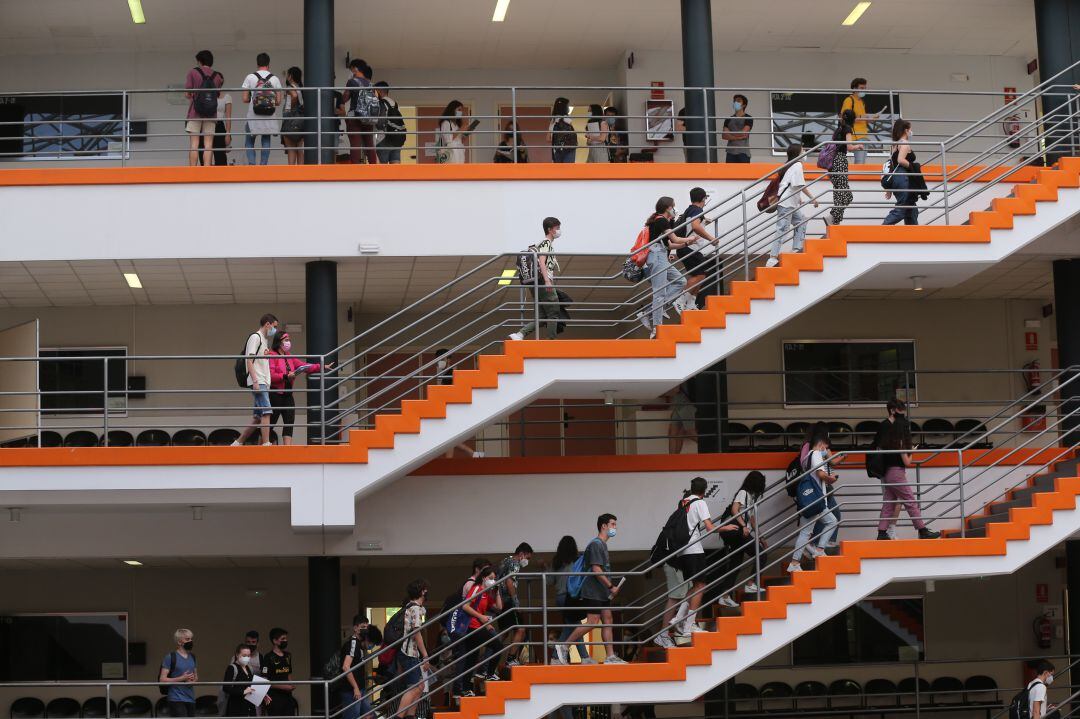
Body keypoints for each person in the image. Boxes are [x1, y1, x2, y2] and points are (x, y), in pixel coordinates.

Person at [555, 513, 626, 665]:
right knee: (592, 621)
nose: (615, 527)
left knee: (608, 619)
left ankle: (610, 656)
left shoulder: (602, 545)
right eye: (613, 524)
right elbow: (596, 569)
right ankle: (564, 645)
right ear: (604, 526)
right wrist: (611, 586)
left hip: (602, 592)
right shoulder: (596, 544)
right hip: (593, 590)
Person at [877, 417, 941, 540]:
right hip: (897, 474)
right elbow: (907, 462)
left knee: (888, 504)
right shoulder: (900, 442)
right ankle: (923, 530)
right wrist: (911, 451)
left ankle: (881, 532)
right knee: (910, 501)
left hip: (887, 474)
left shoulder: (887, 441)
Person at [789, 425, 839, 573]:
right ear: (821, 444)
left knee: (805, 532)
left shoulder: (806, 457)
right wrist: (831, 479)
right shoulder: (816, 454)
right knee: (832, 521)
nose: (826, 451)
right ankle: (819, 549)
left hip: (809, 500)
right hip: (817, 499)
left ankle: (795, 563)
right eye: (826, 447)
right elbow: (821, 475)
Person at [268, 331, 332, 445]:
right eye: (286, 340)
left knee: (289, 420)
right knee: (271, 421)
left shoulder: (289, 356)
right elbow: (270, 375)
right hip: (275, 394)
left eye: (289, 340)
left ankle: (287, 449)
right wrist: (285, 376)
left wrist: (321, 366)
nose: (288, 342)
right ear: (279, 342)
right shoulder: (272, 355)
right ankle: (262, 444)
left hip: (288, 394)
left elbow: (303, 366)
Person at [640, 197, 689, 339]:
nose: (675, 209)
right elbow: (675, 239)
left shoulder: (662, 221)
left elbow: (669, 245)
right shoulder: (661, 220)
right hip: (656, 256)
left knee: (681, 281)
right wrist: (689, 240)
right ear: (668, 207)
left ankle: (648, 312)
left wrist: (686, 243)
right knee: (659, 293)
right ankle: (657, 328)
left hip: (660, 255)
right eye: (674, 206)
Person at [509, 217, 562, 341]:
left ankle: (520, 334)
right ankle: (551, 341)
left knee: (543, 316)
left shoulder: (539, 244)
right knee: (553, 312)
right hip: (543, 281)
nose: (559, 231)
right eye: (557, 228)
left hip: (536, 282)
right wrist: (548, 281)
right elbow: (542, 261)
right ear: (550, 229)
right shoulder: (546, 243)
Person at [767, 143, 819, 268]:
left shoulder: (791, 165)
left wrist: (798, 198)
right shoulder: (797, 165)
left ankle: (796, 248)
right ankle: (772, 258)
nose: (805, 152)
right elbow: (800, 185)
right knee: (782, 229)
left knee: (801, 220)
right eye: (803, 150)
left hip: (789, 203)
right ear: (798, 153)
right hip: (786, 204)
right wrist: (812, 199)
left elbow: (791, 185)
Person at [718, 471, 768, 600]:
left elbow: (751, 519)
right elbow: (734, 510)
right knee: (761, 554)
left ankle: (725, 597)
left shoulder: (750, 497)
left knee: (735, 563)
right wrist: (743, 525)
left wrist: (760, 537)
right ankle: (751, 583)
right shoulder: (743, 493)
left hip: (738, 532)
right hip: (737, 531)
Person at [234, 314, 279, 446]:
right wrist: (255, 381)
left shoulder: (264, 341)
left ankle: (237, 443)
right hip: (258, 380)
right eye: (274, 326)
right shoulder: (255, 337)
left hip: (263, 381)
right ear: (267, 324)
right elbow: (249, 360)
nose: (274, 330)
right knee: (267, 411)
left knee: (257, 417)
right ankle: (266, 443)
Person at [672, 187, 719, 314]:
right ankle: (680, 301)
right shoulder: (697, 210)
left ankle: (691, 303)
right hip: (690, 248)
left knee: (699, 275)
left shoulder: (690, 210)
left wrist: (704, 220)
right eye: (705, 199)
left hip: (687, 248)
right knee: (701, 275)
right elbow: (695, 227)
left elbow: (693, 225)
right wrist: (711, 239)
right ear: (703, 198)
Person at [679, 477, 717, 630]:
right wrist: (725, 528)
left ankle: (678, 617)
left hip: (683, 550)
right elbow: (709, 527)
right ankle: (689, 625)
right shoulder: (700, 503)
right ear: (704, 490)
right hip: (694, 549)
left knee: (695, 585)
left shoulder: (683, 501)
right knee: (701, 586)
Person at [548, 536, 591, 662]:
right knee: (572, 628)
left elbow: (549, 581)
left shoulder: (556, 562)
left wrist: (545, 568)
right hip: (571, 597)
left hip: (560, 598)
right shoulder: (577, 560)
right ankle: (556, 657)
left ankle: (584, 657)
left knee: (574, 627)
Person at [495, 543, 534, 668]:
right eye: (527, 558)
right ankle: (510, 659)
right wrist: (515, 601)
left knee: (504, 632)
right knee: (521, 629)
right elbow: (509, 581)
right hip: (508, 602)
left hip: (500, 600)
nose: (527, 561)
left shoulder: (505, 560)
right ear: (521, 554)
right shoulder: (515, 563)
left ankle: (489, 657)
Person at [397, 580, 431, 719]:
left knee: (420, 686)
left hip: (408, 653)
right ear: (422, 591)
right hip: (410, 653)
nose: (427, 592)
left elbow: (423, 610)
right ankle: (399, 716)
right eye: (425, 590)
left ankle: (411, 716)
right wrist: (425, 655)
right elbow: (417, 633)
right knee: (415, 687)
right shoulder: (415, 609)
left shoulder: (410, 606)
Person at [241, 53, 283, 166]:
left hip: (253, 115)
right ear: (269, 64)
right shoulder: (274, 79)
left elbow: (244, 99)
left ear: (257, 63)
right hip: (269, 115)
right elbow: (278, 101)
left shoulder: (250, 77)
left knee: (249, 142)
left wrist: (254, 99)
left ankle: (252, 164)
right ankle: (263, 165)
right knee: (266, 141)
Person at [184, 50, 224, 167]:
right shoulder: (217, 76)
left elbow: (188, 94)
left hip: (195, 112)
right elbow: (217, 94)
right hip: (211, 113)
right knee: (208, 144)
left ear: (200, 61)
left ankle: (193, 170)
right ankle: (207, 170)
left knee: (194, 144)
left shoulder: (193, 72)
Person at [339, 59, 379, 165]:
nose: (350, 72)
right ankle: (373, 166)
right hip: (368, 118)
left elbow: (345, 98)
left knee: (355, 144)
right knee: (369, 143)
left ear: (355, 69)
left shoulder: (352, 81)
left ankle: (356, 169)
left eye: (351, 69)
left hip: (355, 117)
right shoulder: (371, 84)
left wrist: (339, 100)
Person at [826, 109, 861, 226]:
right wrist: (859, 146)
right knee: (847, 196)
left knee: (838, 194)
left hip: (832, 163)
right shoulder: (847, 129)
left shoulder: (837, 130)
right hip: (840, 161)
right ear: (853, 119)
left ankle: (835, 223)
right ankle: (831, 216)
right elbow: (849, 147)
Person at [883, 119, 921, 226]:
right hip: (902, 177)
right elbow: (900, 160)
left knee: (911, 208)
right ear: (906, 130)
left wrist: (889, 188)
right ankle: (882, 229)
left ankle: (913, 235)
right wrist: (913, 166)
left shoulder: (895, 145)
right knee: (902, 208)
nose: (911, 131)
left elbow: (891, 165)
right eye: (910, 129)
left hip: (897, 178)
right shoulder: (904, 143)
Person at [339, 615, 373, 719]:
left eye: (366, 627)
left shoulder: (360, 644)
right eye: (362, 627)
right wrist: (355, 688)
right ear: (355, 628)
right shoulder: (353, 643)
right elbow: (346, 667)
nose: (365, 630)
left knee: (369, 715)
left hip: (360, 688)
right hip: (352, 691)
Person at [160, 629, 198, 717]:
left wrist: (193, 681)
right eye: (187, 639)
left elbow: (196, 677)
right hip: (176, 698)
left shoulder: (193, 657)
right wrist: (182, 678)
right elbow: (162, 679)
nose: (191, 641)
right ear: (179, 642)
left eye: (191, 639)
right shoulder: (170, 657)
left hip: (190, 698)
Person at [840, 78, 875, 166]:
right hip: (856, 135)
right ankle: (856, 178)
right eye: (861, 88)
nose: (863, 90)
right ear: (855, 89)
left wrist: (869, 119)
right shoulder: (849, 100)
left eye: (865, 88)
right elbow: (845, 117)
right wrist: (863, 117)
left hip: (864, 135)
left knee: (862, 161)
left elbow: (861, 119)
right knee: (859, 162)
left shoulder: (862, 102)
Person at [262, 628, 296, 716]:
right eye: (283, 639)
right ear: (275, 641)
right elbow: (264, 681)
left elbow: (288, 673)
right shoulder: (268, 657)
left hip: (288, 697)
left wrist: (291, 684)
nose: (286, 641)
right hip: (274, 698)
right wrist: (283, 687)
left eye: (286, 639)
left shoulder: (288, 655)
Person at [222, 645, 259, 717]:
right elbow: (226, 688)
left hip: (249, 707)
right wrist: (243, 691)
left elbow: (252, 686)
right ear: (237, 654)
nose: (247, 658)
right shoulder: (232, 668)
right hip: (236, 707)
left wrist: (262, 694)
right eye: (244, 655)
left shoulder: (249, 668)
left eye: (248, 656)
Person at [375, 82, 406, 164]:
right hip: (396, 139)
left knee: (383, 170)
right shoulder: (394, 103)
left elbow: (379, 123)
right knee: (395, 169)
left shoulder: (380, 103)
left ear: (379, 91)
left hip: (383, 139)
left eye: (374, 91)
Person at [281, 67, 305, 165]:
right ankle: (301, 173)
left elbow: (294, 96)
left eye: (287, 74)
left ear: (290, 76)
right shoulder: (300, 87)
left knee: (291, 149)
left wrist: (290, 108)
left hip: (290, 119)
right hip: (300, 120)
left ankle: (292, 173)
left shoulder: (290, 87)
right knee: (299, 149)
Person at [722, 95, 753, 163]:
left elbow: (744, 132)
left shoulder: (748, 118)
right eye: (734, 101)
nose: (735, 102)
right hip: (730, 152)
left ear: (744, 105)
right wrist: (739, 138)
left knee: (744, 173)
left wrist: (730, 134)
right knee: (730, 173)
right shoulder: (728, 119)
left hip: (743, 152)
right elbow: (724, 135)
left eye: (738, 101)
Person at [667, 383, 697, 455]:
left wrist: (663, 390)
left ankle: (709, 446)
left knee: (690, 432)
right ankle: (673, 460)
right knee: (673, 434)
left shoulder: (680, 376)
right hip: (678, 407)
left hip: (686, 406)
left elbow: (675, 390)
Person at [436, 100, 468, 164]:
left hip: (459, 151)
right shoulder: (446, 123)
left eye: (461, 110)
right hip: (451, 152)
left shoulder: (457, 125)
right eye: (459, 109)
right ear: (452, 110)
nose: (461, 112)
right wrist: (461, 129)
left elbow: (461, 140)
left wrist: (467, 133)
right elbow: (448, 139)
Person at [209, 82, 233, 167]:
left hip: (219, 124)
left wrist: (228, 133)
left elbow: (228, 117)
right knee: (206, 150)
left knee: (220, 154)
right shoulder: (207, 95)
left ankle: (221, 174)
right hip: (207, 123)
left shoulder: (227, 97)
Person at [549, 97, 577, 163]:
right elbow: (573, 133)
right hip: (569, 149)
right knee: (568, 171)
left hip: (557, 149)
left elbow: (548, 138)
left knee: (559, 171)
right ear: (564, 107)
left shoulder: (552, 120)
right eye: (568, 105)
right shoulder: (567, 119)